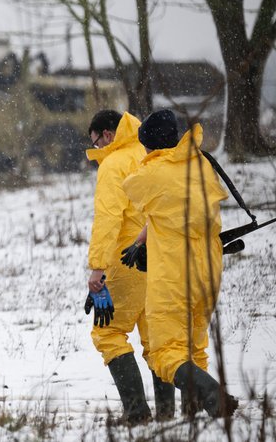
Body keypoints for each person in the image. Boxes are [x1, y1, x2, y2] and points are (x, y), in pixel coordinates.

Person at [122, 109, 237, 418]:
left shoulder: (151, 173)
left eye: (145, 145)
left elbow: (135, 188)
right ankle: (194, 415)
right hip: (208, 270)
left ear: (151, 145)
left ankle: (214, 396)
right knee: (195, 347)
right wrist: (143, 240)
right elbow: (172, 209)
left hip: (174, 274)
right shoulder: (199, 164)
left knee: (165, 352)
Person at [85, 110, 175, 424]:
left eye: (95, 140)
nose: (95, 147)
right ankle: (167, 412)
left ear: (107, 134)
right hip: (159, 257)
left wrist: (97, 267)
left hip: (127, 260)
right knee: (157, 338)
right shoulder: (148, 153)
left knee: (108, 332)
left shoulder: (113, 165)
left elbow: (108, 219)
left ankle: (137, 412)